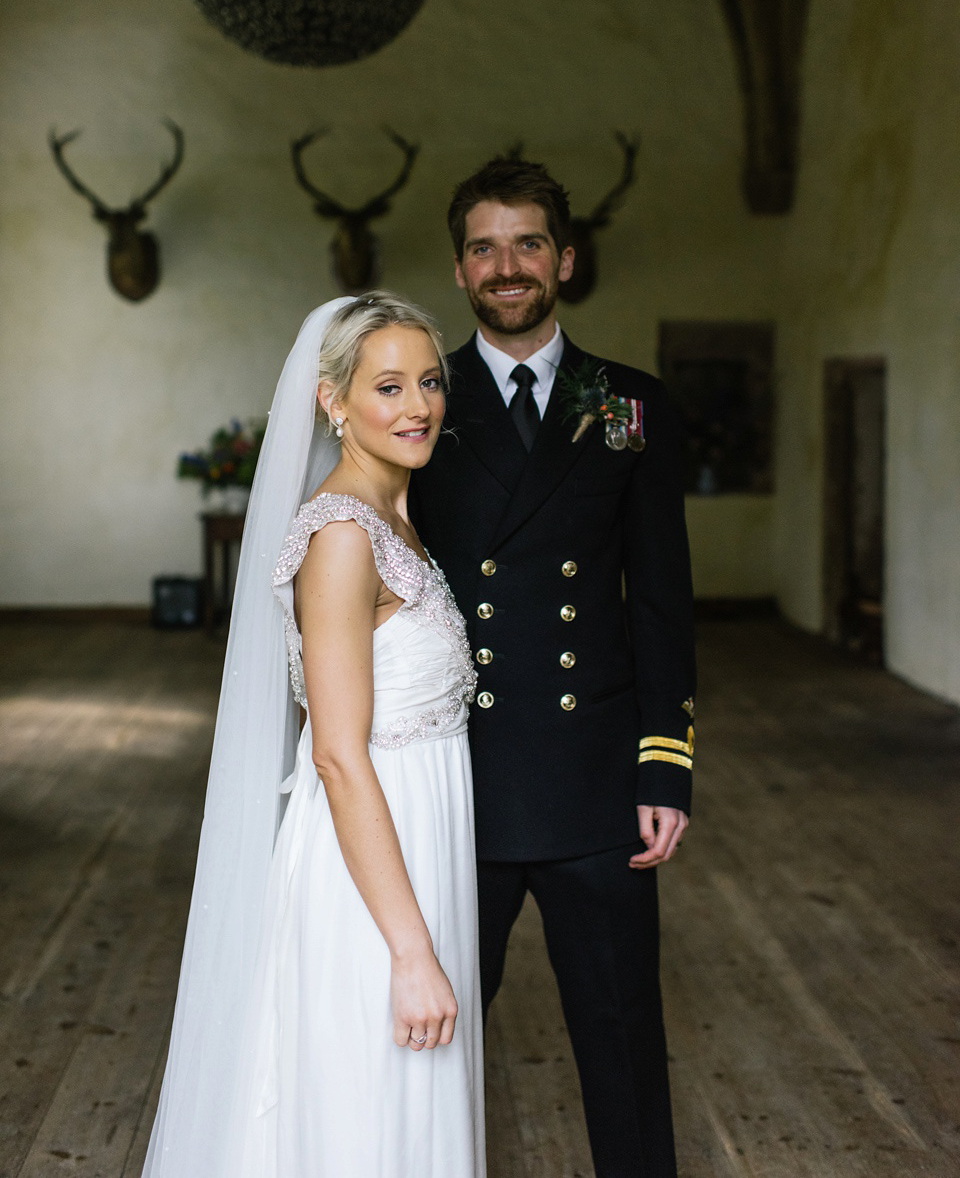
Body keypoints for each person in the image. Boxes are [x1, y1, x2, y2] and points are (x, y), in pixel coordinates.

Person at [143, 293, 485, 1178]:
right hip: (367, 879)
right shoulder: (341, 535)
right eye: (388, 386)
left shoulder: (393, 517)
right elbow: (336, 753)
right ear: (333, 401)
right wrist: (411, 952)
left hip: (418, 845)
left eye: (431, 382)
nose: (418, 406)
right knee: (364, 1118)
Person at [409, 158, 696, 1178]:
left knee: (622, 1043)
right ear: (459, 269)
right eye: (485, 246)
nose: (508, 265)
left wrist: (664, 766)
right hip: (460, 778)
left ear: (565, 259)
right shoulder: (420, 403)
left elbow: (660, 599)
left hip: (594, 780)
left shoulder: (627, 403)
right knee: (426, 1045)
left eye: (528, 242)